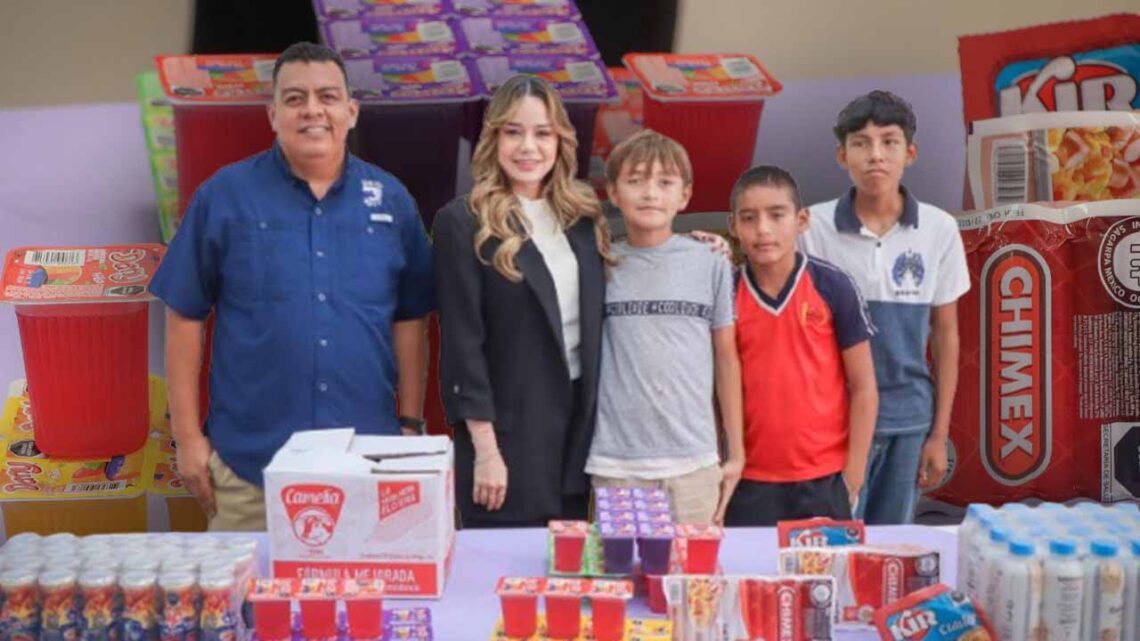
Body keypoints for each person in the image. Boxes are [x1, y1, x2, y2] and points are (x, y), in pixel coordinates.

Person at [150, 42, 435, 531]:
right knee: (245, 587)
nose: (312, 110)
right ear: (273, 114)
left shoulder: (392, 201)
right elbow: (184, 317)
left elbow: (411, 320)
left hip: (366, 465)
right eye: (295, 98)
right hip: (250, 473)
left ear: (351, 111)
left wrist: (409, 424)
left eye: (328, 96)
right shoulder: (224, 197)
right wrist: (188, 439)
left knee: (365, 586)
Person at [433, 75, 614, 527]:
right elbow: (462, 347)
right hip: (507, 440)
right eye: (513, 132)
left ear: (560, 141)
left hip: (578, 438)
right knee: (506, 564)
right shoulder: (463, 222)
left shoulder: (583, 217)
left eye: (542, 133)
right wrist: (486, 450)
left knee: (570, 565)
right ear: (493, 139)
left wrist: (703, 244)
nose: (528, 147)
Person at [802, 91, 970, 524]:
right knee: (832, 541)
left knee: (892, 545)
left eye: (889, 142)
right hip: (832, 424)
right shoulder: (811, 227)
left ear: (909, 153)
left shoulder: (938, 229)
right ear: (842, 155)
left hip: (908, 422)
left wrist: (938, 434)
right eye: (861, 143)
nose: (875, 155)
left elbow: (946, 334)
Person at [584, 130, 745, 525]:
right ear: (613, 192)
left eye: (665, 182)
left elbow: (726, 359)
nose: (650, 193)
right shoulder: (599, 264)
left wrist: (735, 453)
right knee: (621, 563)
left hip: (694, 462)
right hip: (617, 462)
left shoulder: (711, 262)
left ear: (684, 196)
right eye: (635, 180)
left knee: (693, 565)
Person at [723, 166, 877, 526]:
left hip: (824, 479)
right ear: (733, 226)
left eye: (777, 215)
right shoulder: (726, 293)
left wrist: (854, 473)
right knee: (751, 564)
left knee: (825, 566)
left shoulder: (832, 285)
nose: (763, 229)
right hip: (750, 479)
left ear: (802, 220)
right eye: (749, 218)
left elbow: (864, 386)